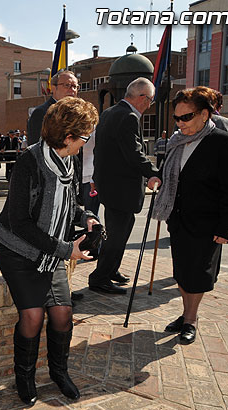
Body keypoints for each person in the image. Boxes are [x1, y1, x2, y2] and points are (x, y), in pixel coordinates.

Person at [0, 97, 100, 407]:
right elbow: (19, 222)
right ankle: (24, 378)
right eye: (84, 136)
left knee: (64, 313)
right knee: (33, 316)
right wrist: (67, 250)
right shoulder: (30, 161)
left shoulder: (69, 159)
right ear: (68, 137)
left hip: (49, 247)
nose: (85, 142)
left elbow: (69, 205)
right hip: (16, 248)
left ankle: (59, 372)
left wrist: (86, 218)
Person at [152, 87, 228, 344]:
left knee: (198, 275)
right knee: (181, 272)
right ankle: (184, 313)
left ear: (204, 114)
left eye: (187, 117)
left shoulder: (222, 142)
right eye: (177, 118)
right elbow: (170, 170)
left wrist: (225, 229)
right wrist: (158, 177)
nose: (180, 123)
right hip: (178, 218)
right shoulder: (176, 141)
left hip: (207, 222)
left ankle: (191, 318)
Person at [88, 77, 161, 294]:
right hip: (121, 189)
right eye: (150, 100)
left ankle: (111, 270)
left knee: (119, 233)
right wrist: (154, 173)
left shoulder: (110, 112)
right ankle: (99, 277)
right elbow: (134, 154)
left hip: (111, 187)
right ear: (141, 98)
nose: (150, 105)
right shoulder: (128, 117)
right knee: (117, 235)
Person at [27, 70, 79, 146]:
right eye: (67, 85)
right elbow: (36, 148)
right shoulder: (42, 113)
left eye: (75, 87)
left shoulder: (77, 113)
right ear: (53, 88)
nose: (72, 90)